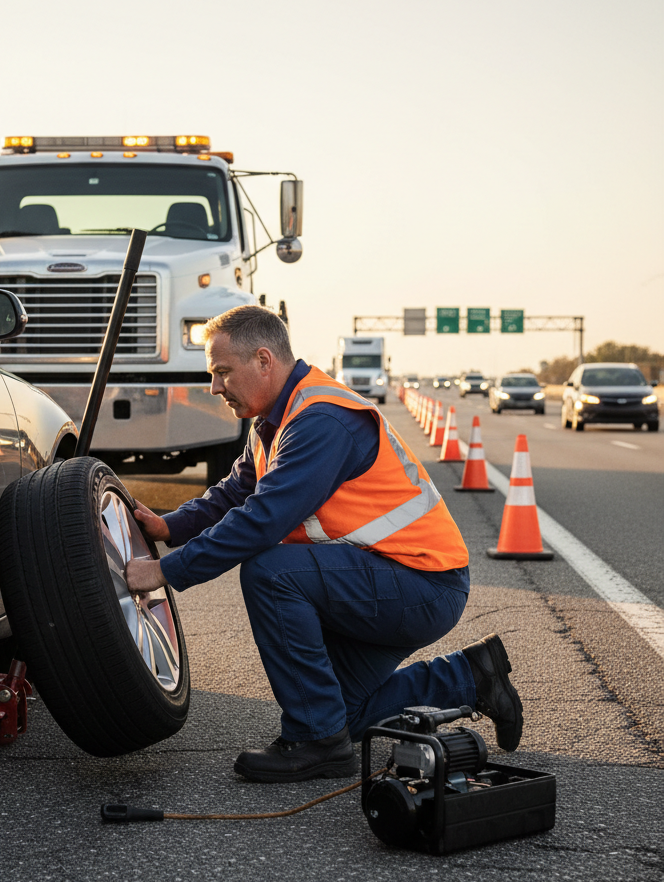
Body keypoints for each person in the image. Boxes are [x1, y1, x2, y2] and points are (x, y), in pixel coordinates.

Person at [124, 305, 523, 783]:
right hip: (385, 579)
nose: (215, 387)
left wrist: (166, 571)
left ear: (264, 360)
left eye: (223, 371)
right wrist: (169, 527)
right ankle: (472, 676)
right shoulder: (276, 418)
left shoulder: (320, 421)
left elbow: (262, 519)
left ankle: (314, 741)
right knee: (343, 715)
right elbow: (237, 492)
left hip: (422, 584)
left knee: (271, 571)